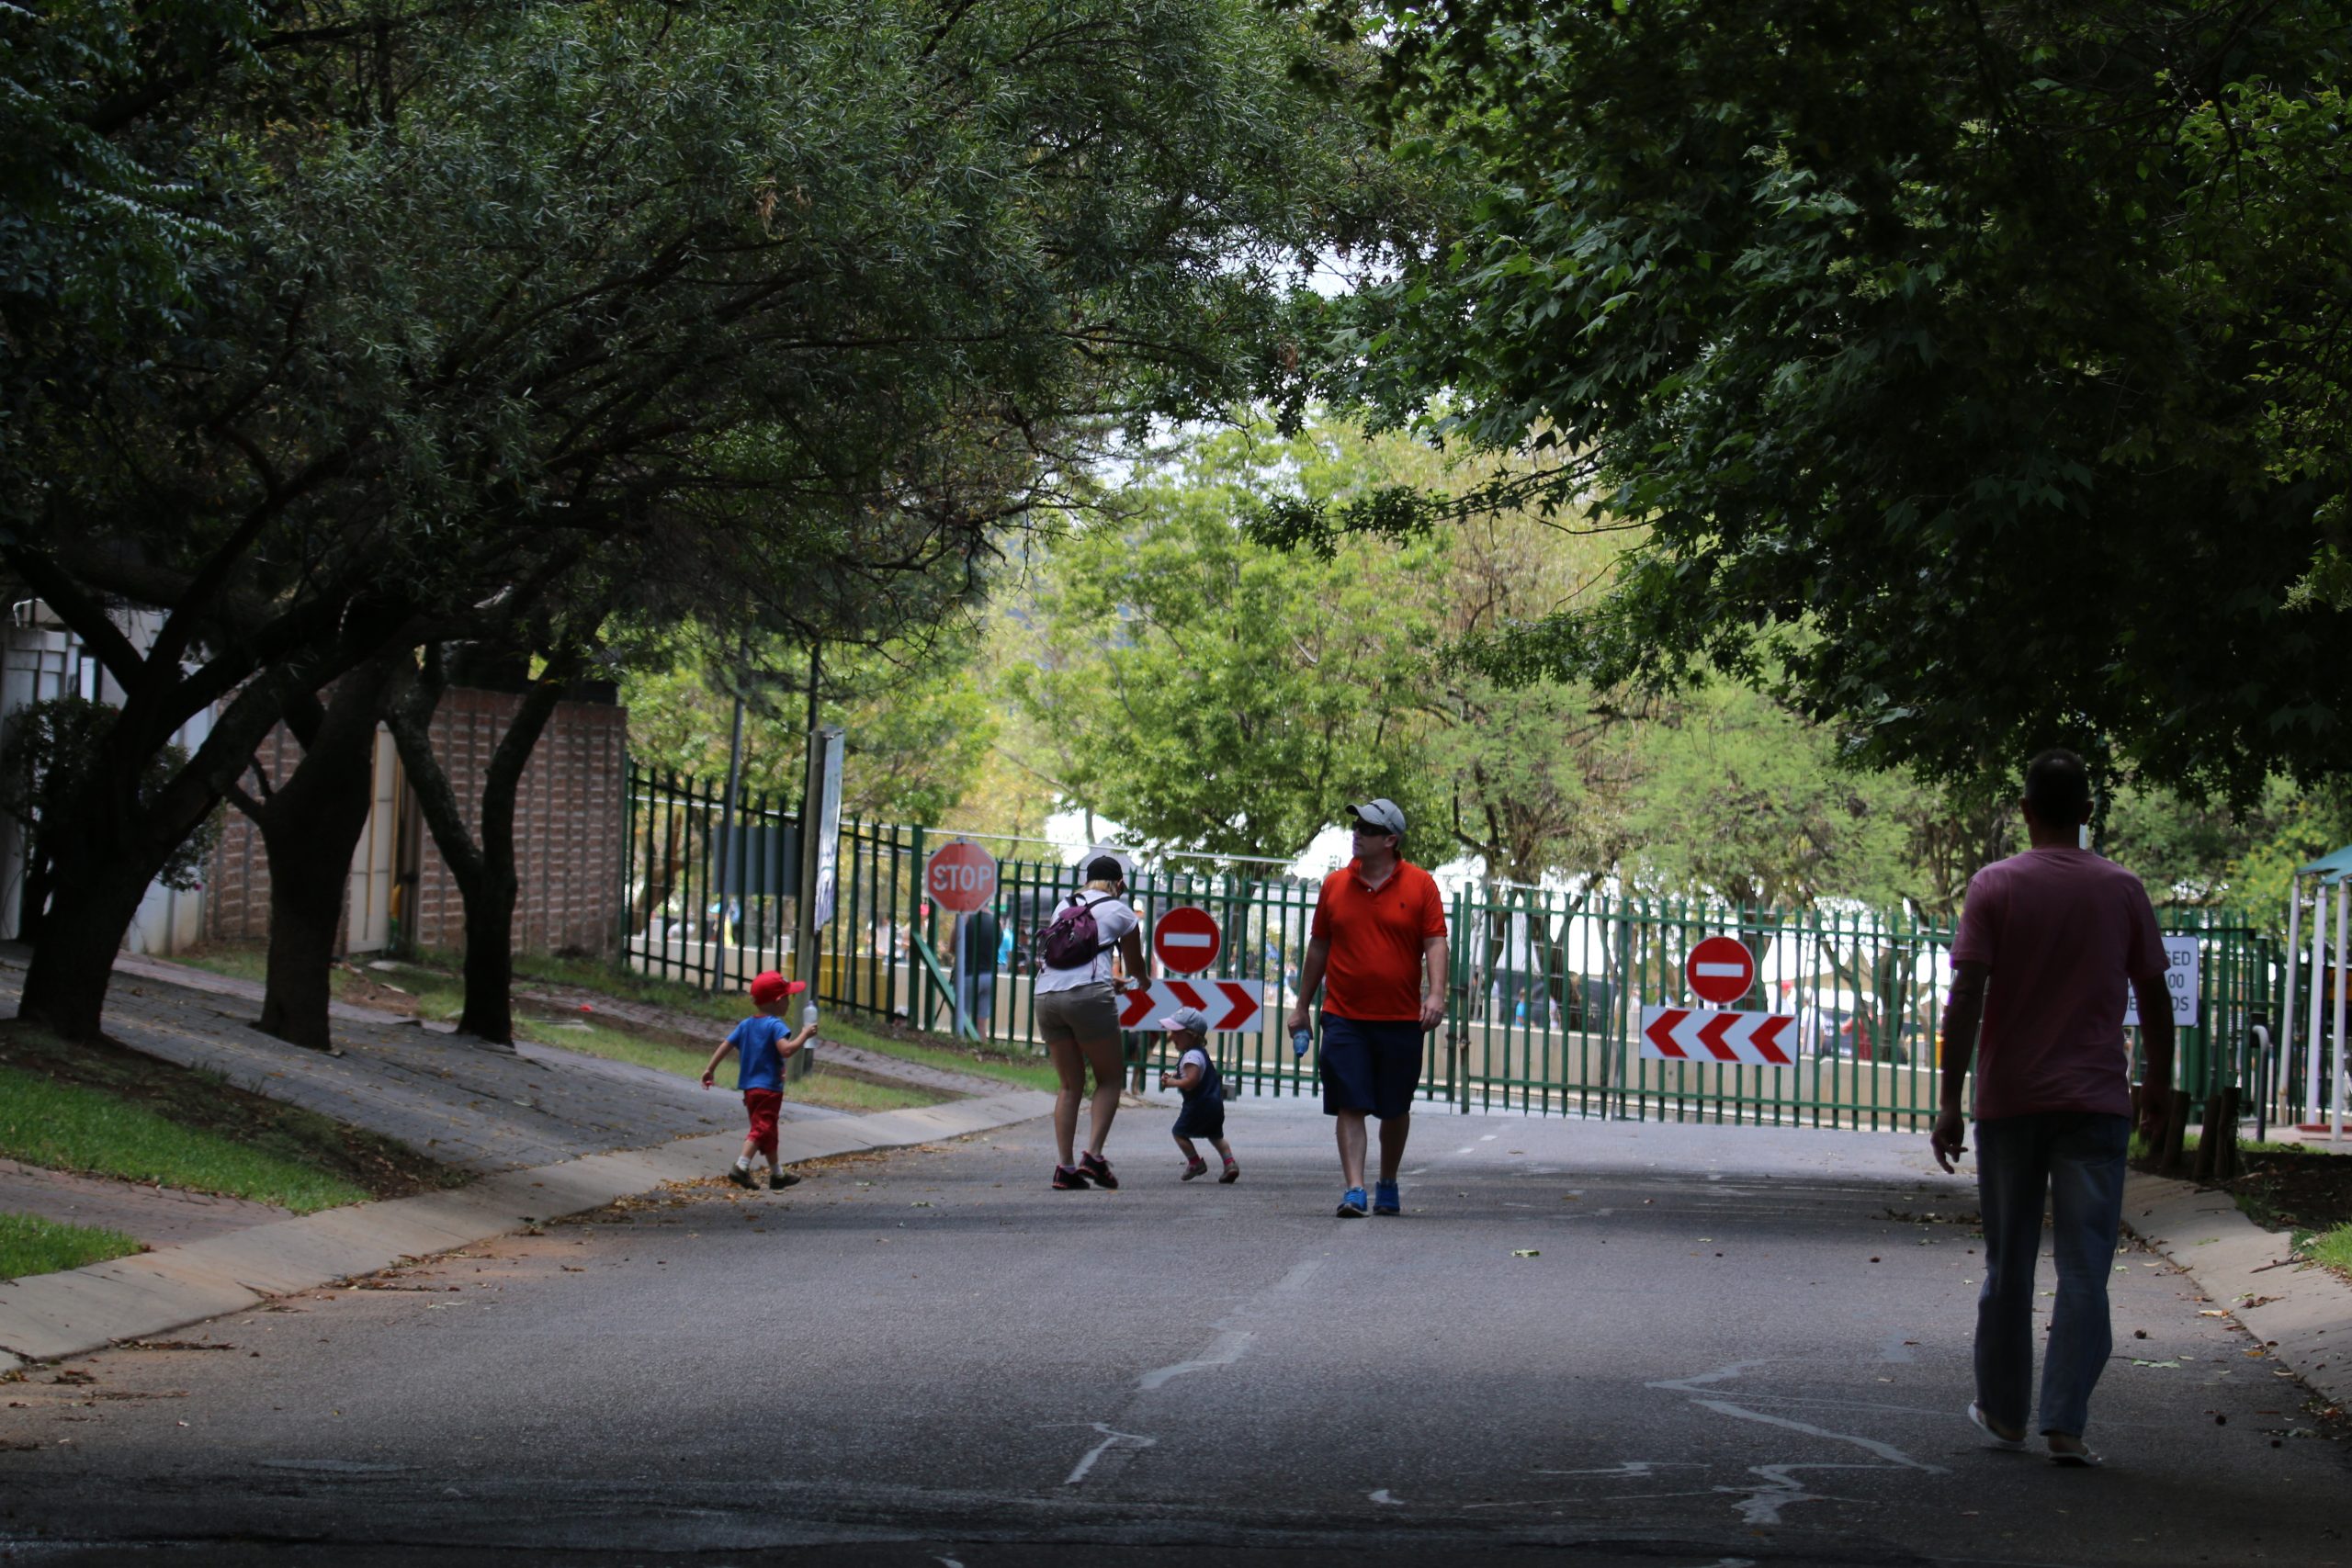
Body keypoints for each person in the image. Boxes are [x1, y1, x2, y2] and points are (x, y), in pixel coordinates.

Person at [1931, 749, 2174, 1467]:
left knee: (2009, 1265)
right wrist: (2156, 1081)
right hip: (2097, 1103)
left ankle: (2005, 1414)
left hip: (2010, 1103)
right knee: (2085, 1267)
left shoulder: (1994, 885)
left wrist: (1949, 1099)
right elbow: (2154, 994)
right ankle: (2065, 1422)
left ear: (2027, 809)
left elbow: (1966, 994)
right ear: (2088, 813)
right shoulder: (2123, 888)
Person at [1283, 799, 1448, 1217]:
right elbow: (1319, 945)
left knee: (1395, 1108)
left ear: (1390, 840)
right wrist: (1301, 1005)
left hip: (1399, 1019)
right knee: (1349, 1102)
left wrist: (1435, 995)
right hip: (1343, 1016)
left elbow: (1434, 942)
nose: (1357, 832)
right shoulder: (1335, 884)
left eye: (1368, 828)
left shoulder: (1420, 884)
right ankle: (1354, 1189)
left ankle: (1387, 1181)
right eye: (1356, 825)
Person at [1034, 852, 1148, 1190]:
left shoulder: (1063, 904)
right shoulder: (1122, 912)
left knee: (1070, 1085)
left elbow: (1067, 954)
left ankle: (1064, 1168)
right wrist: (1143, 982)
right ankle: (1094, 1156)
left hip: (1046, 996)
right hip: (1087, 996)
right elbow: (1135, 963)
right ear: (1118, 884)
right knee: (1111, 1078)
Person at [701, 969, 818, 1191]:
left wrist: (710, 1069)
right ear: (777, 1001)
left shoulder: (746, 1024)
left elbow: (726, 1045)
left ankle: (777, 1174)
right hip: (769, 1089)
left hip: (750, 1090)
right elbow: (787, 1050)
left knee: (769, 1131)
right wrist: (805, 1034)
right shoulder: (775, 1026)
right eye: (787, 998)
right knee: (762, 1128)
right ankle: (741, 1166)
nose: (789, 1003)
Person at [1157, 1005, 1238, 1183]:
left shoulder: (1191, 1056)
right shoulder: (1199, 1054)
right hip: (1214, 1104)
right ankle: (1230, 1163)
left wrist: (1172, 1083)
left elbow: (1191, 1081)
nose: (1171, 1037)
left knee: (1179, 1132)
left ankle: (1195, 1162)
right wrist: (1175, 1074)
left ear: (1191, 1035)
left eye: (1176, 1033)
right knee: (1216, 1135)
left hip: (1199, 1105)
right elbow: (1192, 1073)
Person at [955, 900, 1002, 1033]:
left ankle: (959, 1049)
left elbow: (953, 947)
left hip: (969, 975)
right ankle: (981, 1051)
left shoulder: (966, 918)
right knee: (981, 1025)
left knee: (961, 1019)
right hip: (990, 976)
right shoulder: (997, 923)